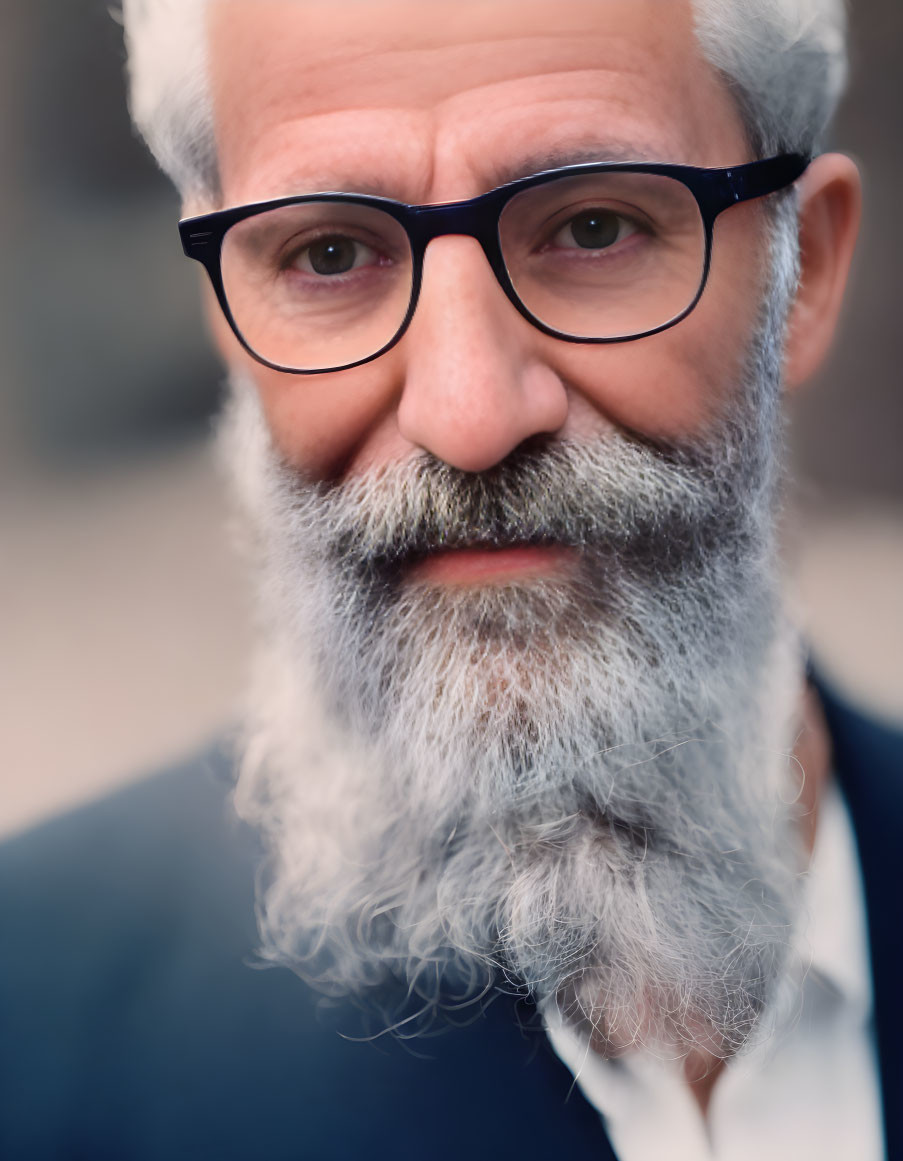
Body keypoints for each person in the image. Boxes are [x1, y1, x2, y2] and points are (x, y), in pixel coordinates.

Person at [1, 1, 900, 1158]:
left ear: (804, 270)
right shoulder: (30, 1029)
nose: (469, 416)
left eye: (592, 228)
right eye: (329, 255)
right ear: (227, 308)